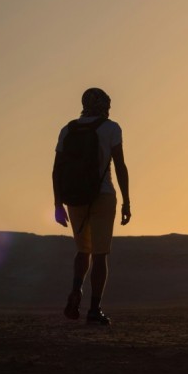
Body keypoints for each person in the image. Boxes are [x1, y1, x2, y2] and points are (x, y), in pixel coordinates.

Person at [52, 87, 131, 325]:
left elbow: (57, 170)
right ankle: (95, 309)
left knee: (82, 251)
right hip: (103, 196)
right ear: (104, 104)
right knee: (100, 255)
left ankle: (77, 289)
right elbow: (120, 166)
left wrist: (57, 204)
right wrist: (127, 201)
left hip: (76, 199)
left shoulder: (68, 130)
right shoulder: (111, 128)